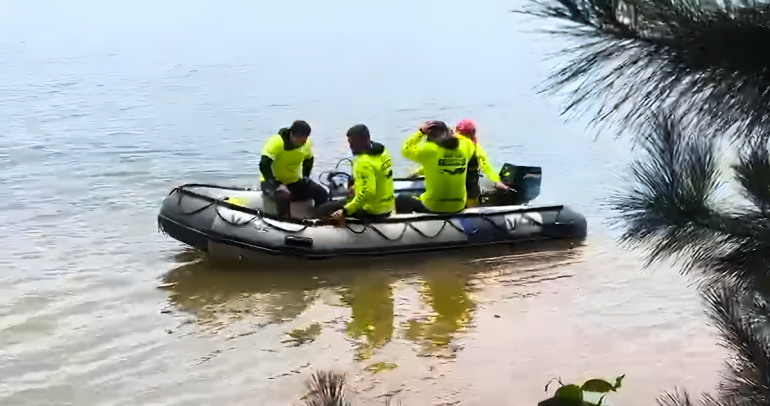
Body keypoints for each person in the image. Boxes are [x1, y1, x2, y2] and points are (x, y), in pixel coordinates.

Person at [320, 124, 395, 226]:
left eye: (352, 143)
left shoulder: (363, 162)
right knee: (343, 200)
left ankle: (323, 230)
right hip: (387, 205)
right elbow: (377, 178)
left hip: (372, 210)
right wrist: (355, 187)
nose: (350, 146)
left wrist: (346, 211)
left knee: (328, 208)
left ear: (364, 139)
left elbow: (368, 193)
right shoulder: (382, 152)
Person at [396, 120, 477, 213]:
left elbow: (405, 149)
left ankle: (407, 224)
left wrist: (420, 132)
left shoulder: (428, 150)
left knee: (402, 197)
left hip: (435, 206)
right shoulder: (466, 146)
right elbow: (465, 139)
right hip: (459, 205)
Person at [259, 120, 329, 218]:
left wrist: (306, 176)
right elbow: (264, 165)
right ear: (292, 134)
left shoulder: (306, 144)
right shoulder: (276, 143)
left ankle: (319, 218)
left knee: (321, 193)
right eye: (300, 139)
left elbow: (308, 160)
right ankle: (284, 221)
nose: (302, 142)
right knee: (283, 196)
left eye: (305, 139)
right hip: (272, 182)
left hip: (293, 182)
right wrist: (276, 184)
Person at [454, 118, 509, 206]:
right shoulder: (474, 145)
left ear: (457, 130)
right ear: (473, 131)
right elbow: (485, 165)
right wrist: (496, 181)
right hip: (469, 189)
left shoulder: (444, 142)